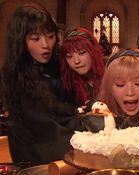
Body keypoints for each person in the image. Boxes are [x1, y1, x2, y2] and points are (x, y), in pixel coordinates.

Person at [1, 4, 86, 163]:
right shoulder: (17, 78)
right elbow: (48, 133)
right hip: (37, 161)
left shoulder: (61, 66)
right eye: (35, 38)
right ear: (20, 40)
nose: (45, 45)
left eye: (50, 35)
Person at [98, 48, 139, 128]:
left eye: (138, 83)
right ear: (109, 86)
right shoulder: (97, 123)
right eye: (120, 84)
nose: (130, 92)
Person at [60, 27, 104, 107]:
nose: (76, 61)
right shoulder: (66, 85)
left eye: (82, 53)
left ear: (94, 51)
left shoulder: (110, 75)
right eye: (69, 56)